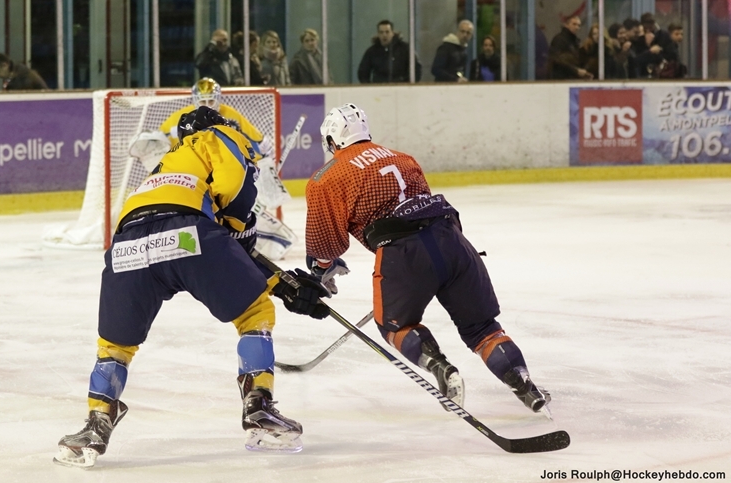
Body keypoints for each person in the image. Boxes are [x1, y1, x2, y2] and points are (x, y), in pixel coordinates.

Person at [53, 106, 330, 468]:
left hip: (126, 246)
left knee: (115, 346)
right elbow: (233, 207)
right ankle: (259, 408)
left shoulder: (164, 166)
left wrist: (278, 279)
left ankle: (96, 423)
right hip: (188, 233)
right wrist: (281, 285)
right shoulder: (219, 137)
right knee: (254, 312)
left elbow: (207, 236)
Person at [302, 103, 552, 416]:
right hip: (452, 241)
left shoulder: (326, 178)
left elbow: (326, 244)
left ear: (331, 141)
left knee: (395, 326)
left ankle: (441, 367)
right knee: (484, 329)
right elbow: (426, 206)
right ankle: (525, 385)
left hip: (402, 255)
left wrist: (322, 269)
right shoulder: (403, 158)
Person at [127, 78, 298, 261]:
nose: (207, 104)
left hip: (220, 175)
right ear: (194, 99)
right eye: (203, 100)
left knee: (237, 208)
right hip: (193, 179)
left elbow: (258, 145)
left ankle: (267, 242)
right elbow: (160, 148)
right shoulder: (180, 119)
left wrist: (266, 165)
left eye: (210, 100)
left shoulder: (230, 117)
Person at [546, 15, 593, 80]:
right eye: (574, 24)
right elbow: (558, 60)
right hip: (560, 78)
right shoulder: (559, 40)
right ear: (566, 25)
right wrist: (576, 71)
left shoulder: (575, 41)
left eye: (579, 25)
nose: (577, 27)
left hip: (570, 77)